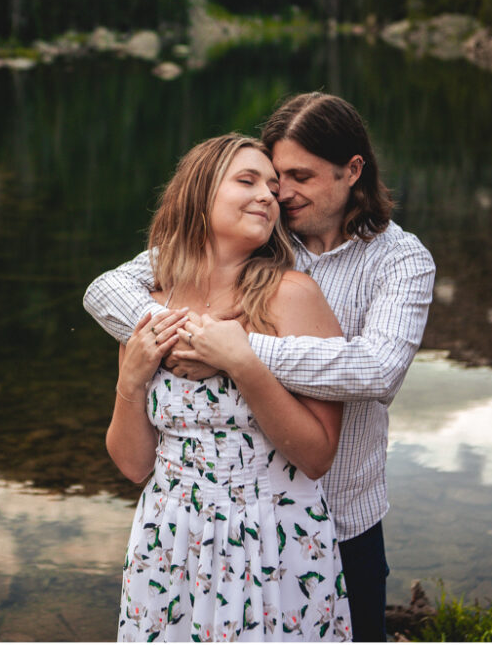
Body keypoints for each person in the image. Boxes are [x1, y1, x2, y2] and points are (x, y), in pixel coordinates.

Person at [85, 93, 436, 642]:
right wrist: (149, 357)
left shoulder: (396, 261)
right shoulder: (231, 255)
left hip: (324, 517)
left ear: (352, 171)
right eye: (269, 179)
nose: (280, 194)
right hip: (176, 537)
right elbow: (107, 289)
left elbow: (377, 371)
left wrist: (233, 352)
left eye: (295, 178)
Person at [107, 133, 352, 641]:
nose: (269, 195)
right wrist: (130, 380)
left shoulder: (294, 297)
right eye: (247, 181)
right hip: (168, 538)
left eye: (272, 184)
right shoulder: (150, 306)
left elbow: (318, 455)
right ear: (198, 196)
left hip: (272, 540)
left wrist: (245, 364)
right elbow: (133, 466)